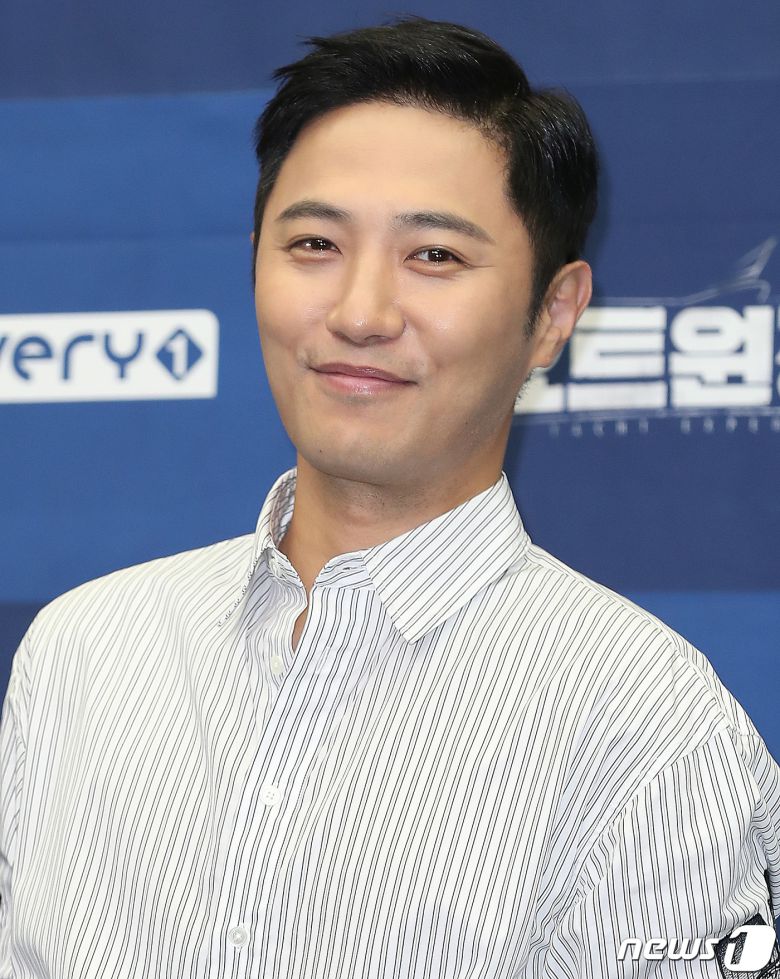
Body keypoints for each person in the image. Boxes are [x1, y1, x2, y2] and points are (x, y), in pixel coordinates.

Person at [1, 15, 778, 978]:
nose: (360, 312)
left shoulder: (647, 728)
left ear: (553, 313)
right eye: (314, 242)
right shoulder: (82, 653)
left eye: (434, 256)